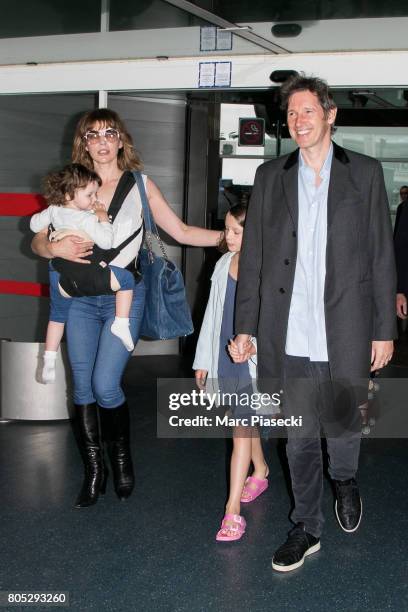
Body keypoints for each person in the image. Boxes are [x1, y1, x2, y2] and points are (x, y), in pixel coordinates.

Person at [233, 73, 396, 571]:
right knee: (298, 436)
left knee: (343, 426)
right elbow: (255, 257)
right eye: (291, 114)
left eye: (308, 111)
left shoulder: (364, 172)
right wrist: (247, 325)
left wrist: (384, 328)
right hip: (289, 329)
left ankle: (344, 480)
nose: (299, 121)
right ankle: (306, 526)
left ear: (330, 115)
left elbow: (380, 254)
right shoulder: (270, 176)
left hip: (345, 324)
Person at [31, 108, 221, 508]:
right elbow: (38, 239)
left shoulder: (140, 184)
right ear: (83, 142)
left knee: (105, 384)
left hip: (123, 297)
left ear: (121, 140)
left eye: (109, 133)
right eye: (92, 134)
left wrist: (233, 236)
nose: (101, 141)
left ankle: (120, 459)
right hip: (79, 298)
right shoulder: (73, 184)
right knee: (81, 387)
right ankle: (94, 470)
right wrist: (53, 246)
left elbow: (181, 231)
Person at [193, 204, 273, 542]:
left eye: (236, 232)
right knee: (241, 419)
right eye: (226, 230)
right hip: (224, 356)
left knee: (241, 426)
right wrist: (203, 360)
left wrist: (255, 346)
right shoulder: (224, 263)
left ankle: (232, 512)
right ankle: (263, 470)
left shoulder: (267, 269)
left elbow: (274, 319)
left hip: (249, 360)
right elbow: (213, 315)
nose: (228, 237)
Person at [30, 163, 138, 384]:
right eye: (89, 195)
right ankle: (121, 322)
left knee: (57, 316)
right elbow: (107, 242)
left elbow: (33, 225)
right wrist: (101, 216)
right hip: (86, 274)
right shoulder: (87, 218)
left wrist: (52, 213)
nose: (93, 199)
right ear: (70, 194)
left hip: (60, 277)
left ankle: (49, 357)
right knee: (127, 280)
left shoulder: (53, 211)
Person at [394, 186, 408, 319]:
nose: (403, 195)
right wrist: (400, 290)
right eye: (402, 193)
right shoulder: (402, 208)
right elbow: (401, 244)